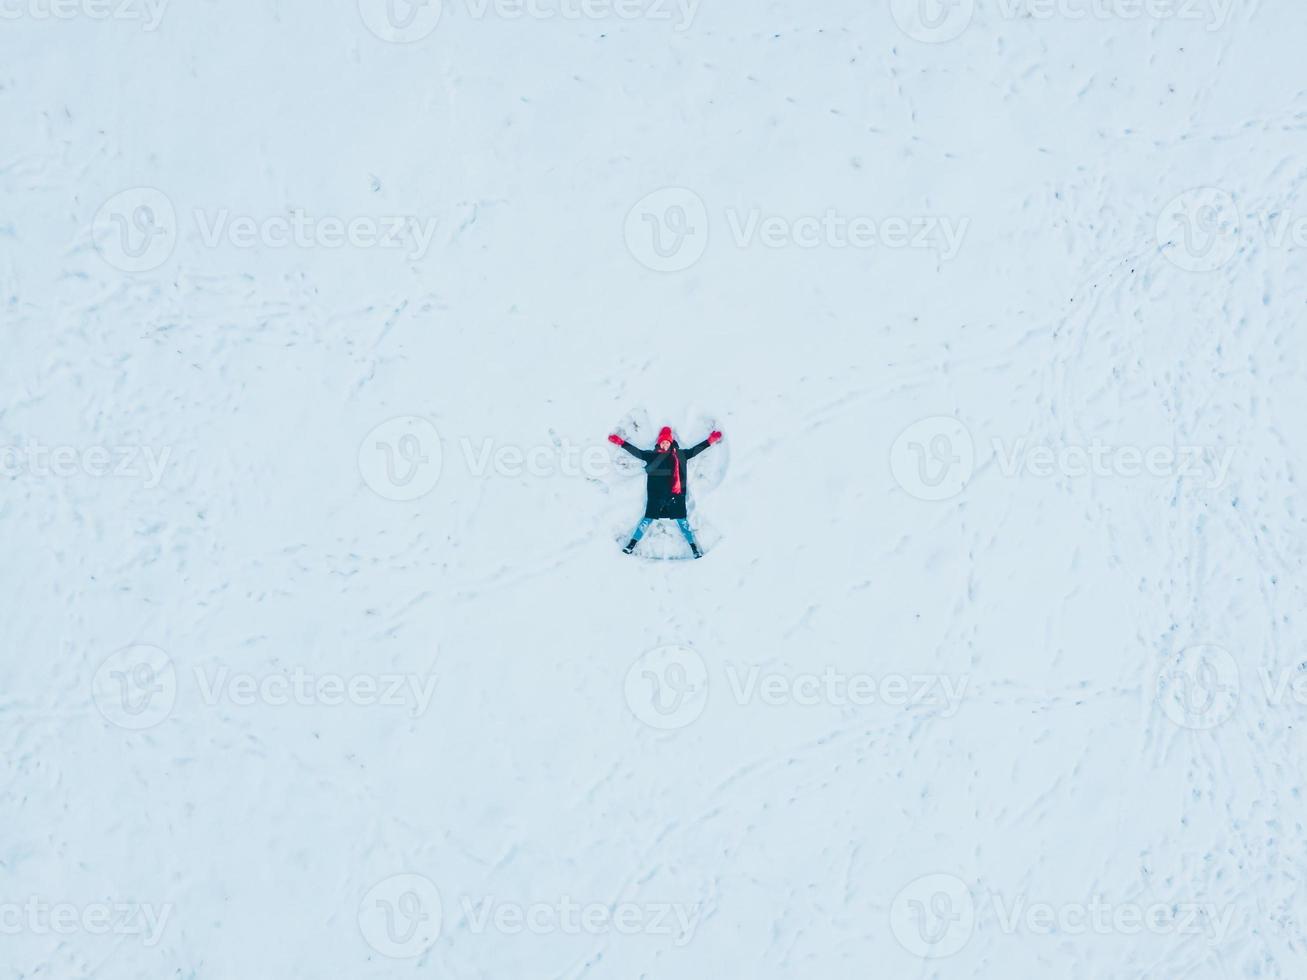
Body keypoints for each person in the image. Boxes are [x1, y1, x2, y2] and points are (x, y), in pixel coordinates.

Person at [608, 425, 723, 558]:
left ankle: (694, 549)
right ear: (659, 442)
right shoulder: (652, 456)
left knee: (683, 523)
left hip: (676, 497)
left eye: (667, 442)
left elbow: (696, 450)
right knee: (646, 521)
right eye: (662, 441)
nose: (664, 444)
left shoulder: (681, 455)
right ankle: (631, 545)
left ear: (670, 442)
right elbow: (636, 451)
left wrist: (710, 440)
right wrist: (620, 442)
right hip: (656, 497)